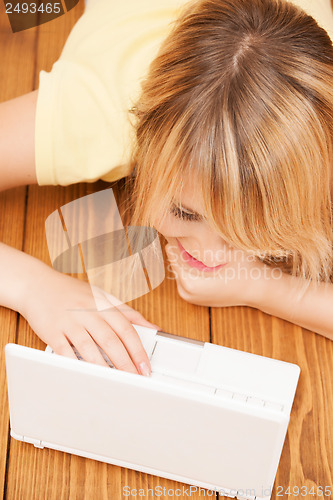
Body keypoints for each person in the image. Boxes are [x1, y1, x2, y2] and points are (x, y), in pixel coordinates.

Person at [1, 0, 333, 376]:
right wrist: (34, 287)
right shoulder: (93, 114)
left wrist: (261, 288)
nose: (210, 257)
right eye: (184, 212)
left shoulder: (324, 142)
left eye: (254, 227)